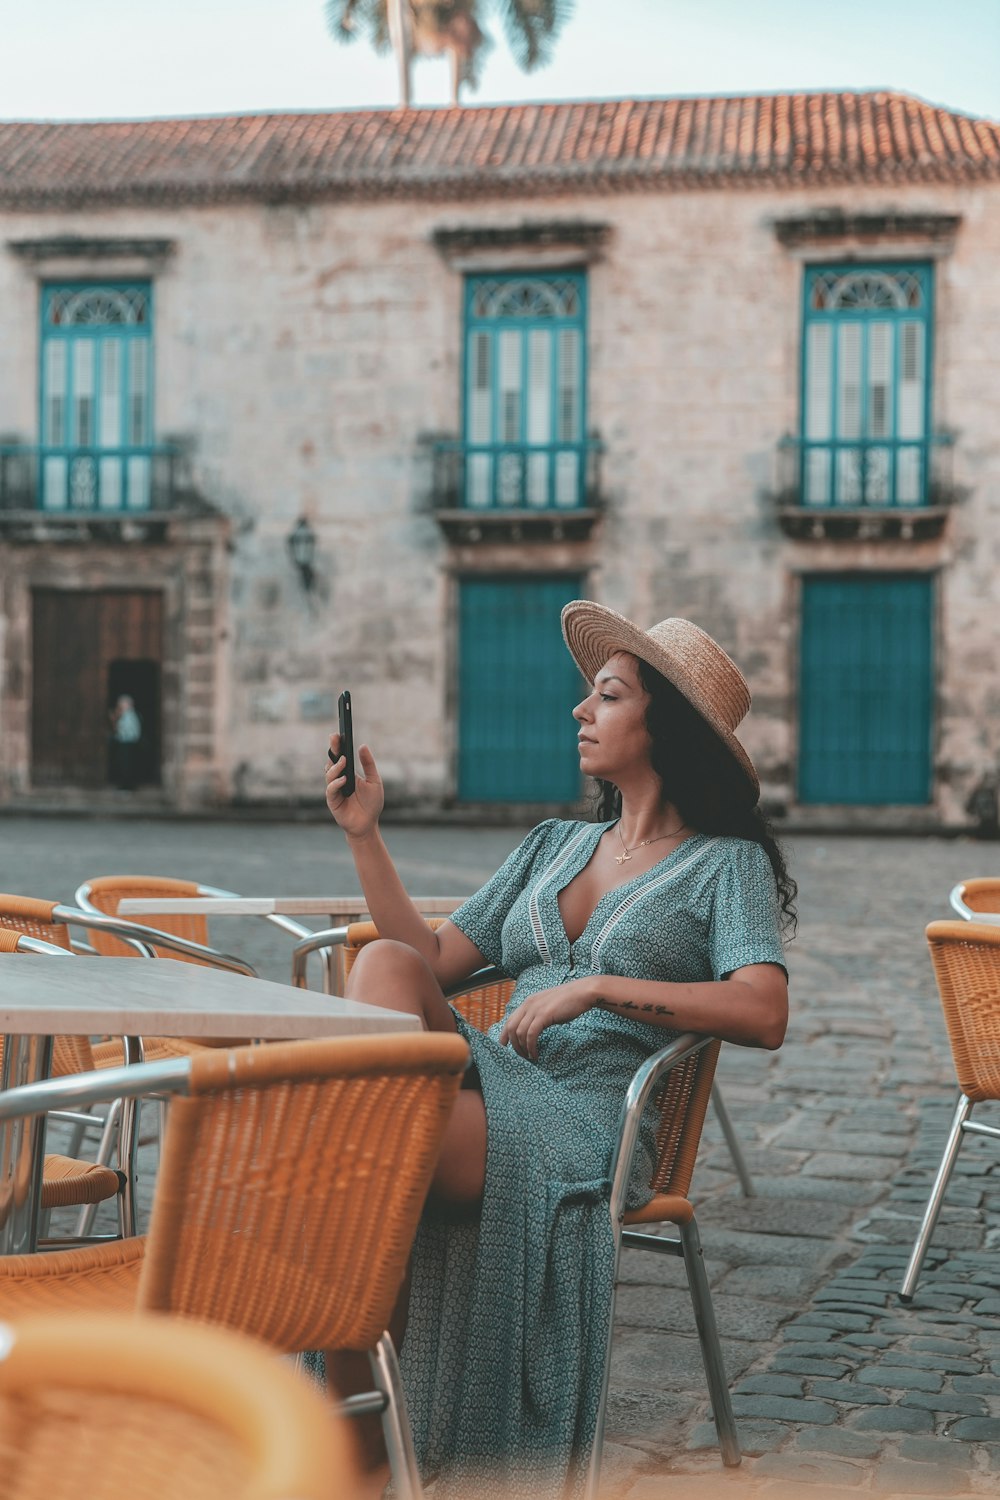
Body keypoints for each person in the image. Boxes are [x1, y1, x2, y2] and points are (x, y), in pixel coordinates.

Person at [324, 601, 795, 1497]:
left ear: (668, 728)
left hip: (590, 1124)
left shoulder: (722, 864)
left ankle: (354, 1458)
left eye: (608, 696)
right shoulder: (555, 845)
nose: (581, 712)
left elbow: (763, 1008)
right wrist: (365, 832)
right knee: (384, 961)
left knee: (359, 1162)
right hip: (496, 1076)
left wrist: (598, 986)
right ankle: (358, 1451)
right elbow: (429, 962)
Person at [109, 693, 142, 791]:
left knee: (126, 765)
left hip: (127, 743)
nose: (120, 706)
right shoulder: (128, 714)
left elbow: (124, 730)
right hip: (127, 743)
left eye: (121, 704)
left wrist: (114, 719)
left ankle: (127, 786)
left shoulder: (129, 715)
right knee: (125, 765)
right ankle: (125, 785)